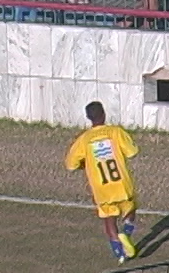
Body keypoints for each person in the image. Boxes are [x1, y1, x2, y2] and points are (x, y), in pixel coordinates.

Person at [65, 101, 139, 264]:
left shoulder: (83, 140)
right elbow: (132, 152)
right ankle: (126, 233)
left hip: (101, 189)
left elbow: (70, 165)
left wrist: (85, 164)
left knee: (109, 220)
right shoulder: (115, 132)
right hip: (121, 185)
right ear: (104, 114)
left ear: (88, 118)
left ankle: (120, 254)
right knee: (131, 209)